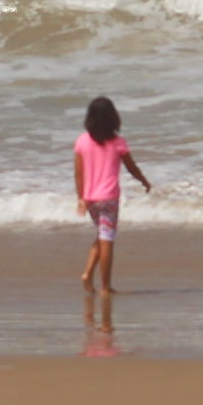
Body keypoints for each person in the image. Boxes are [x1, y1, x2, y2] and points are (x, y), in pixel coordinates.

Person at [72, 97, 151, 293]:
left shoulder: (82, 141)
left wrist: (81, 198)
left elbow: (78, 173)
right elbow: (131, 167)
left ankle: (87, 274)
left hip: (90, 199)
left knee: (101, 235)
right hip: (108, 198)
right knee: (107, 238)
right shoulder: (118, 142)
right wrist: (143, 180)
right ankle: (106, 286)